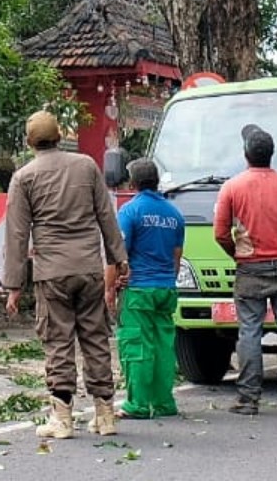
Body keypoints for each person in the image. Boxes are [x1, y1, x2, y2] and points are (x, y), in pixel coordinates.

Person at [2, 110, 127, 439]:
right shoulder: (86, 165)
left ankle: (62, 419)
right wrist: (119, 258)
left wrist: (14, 286)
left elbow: (17, 234)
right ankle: (105, 414)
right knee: (95, 339)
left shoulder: (24, 177)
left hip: (52, 272)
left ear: (30, 143)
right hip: (88, 268)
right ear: (60, 135)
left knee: (58, 341)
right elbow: (106, 216)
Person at [214, 126, 277, 416]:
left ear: (245, 154)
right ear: (271, 154)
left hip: (250, 267)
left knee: (249, 331)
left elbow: (220, 233)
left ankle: (248, 400)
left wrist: (238, 254)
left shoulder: (232, 187)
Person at [115, 157, 183, 420]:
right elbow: (177, 258)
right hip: (166, 288)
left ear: (132, 182)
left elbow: (120, 255)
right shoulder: (174, 214)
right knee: (163, 346)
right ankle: (164, 402)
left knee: (137, 346)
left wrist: (113, 286)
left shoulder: (130, 212)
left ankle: (138, 404)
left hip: (139, 290)